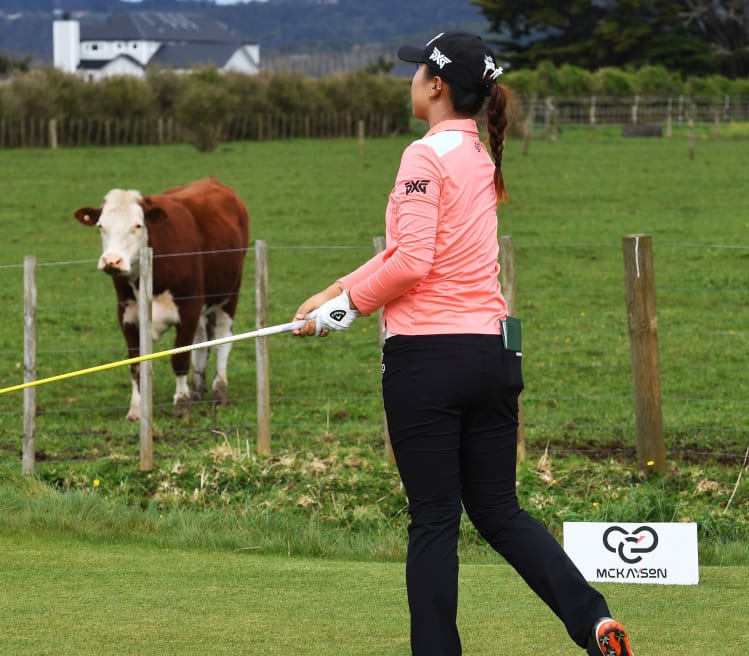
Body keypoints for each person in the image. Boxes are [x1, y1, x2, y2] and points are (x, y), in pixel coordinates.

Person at [291, 32, 636, 656]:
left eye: (418, 68)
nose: (411, 77)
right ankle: (593, 622)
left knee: (433, 520)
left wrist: (343, 310)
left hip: (429, 361)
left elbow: (411, 265)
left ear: (438, 85)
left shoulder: (423, 156)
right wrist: (334, 291)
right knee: (500, 511)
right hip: (492, 356)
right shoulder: (479, 155)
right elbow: (403, 254)